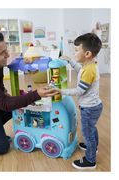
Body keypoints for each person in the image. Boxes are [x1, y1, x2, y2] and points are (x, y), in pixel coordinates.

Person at [59, 33, 103, 169]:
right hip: (93, 106)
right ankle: (93, 147)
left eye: (77, 50)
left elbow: (79, 90)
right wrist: (70, 61)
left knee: (87, 132)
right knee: (91, 128)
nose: (74, 52)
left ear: (87, 53)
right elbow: (80, 71)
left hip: (89, 108)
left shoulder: (89, 70)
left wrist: (61, 91)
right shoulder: (88, 65)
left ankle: (90, 160)